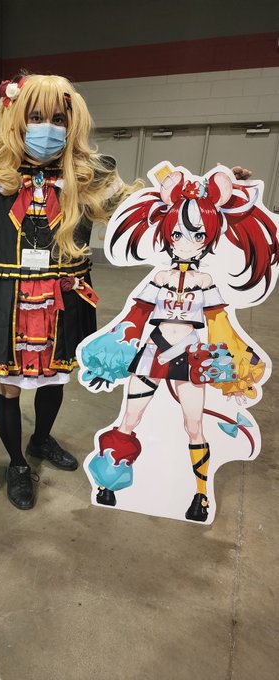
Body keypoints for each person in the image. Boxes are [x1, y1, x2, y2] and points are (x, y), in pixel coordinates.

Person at [0, 73, 140, 509]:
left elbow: (140, 215)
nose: (47, 129)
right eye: (35, 117)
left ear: (72, 124)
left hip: (65, 298)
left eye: (57, 120)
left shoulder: (90, 173)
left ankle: (41, 439)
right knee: (9, 386)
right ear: (15, 118)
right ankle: (16, 463)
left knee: (55, 379)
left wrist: (218, 194)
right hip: (4, 301)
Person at [80, 167, 278, 521]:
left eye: (197, 234)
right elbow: (134, 319)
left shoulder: (205, 281)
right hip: (153, 352)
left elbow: (220, 327)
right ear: (168, 234)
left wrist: (236, 373)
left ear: (208, 238)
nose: (186, 241)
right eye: (177, 233)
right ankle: (109, 482)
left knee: (193, 426)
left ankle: (200, 495)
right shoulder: (159, 277)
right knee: (130, 419)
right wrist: (107, 363)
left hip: (189, 356)